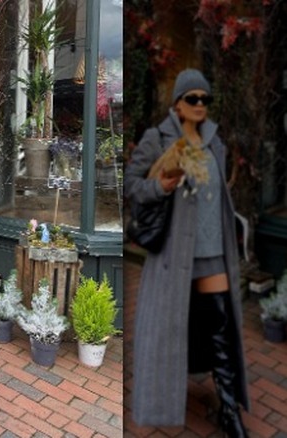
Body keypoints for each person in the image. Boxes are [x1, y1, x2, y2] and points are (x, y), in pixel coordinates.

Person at [125, 68, 248, 437]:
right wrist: (161, 187)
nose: (199, 105)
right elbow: (132, 185)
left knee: (222, 325)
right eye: (192, 98)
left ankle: (229, 410)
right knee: (170, 327)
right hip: (173, 255)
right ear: (177, 104)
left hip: (213, 248)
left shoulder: (215, 143)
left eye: (204, 99)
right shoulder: (158, 138)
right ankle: (163, 397)